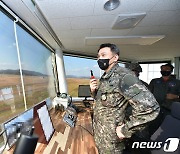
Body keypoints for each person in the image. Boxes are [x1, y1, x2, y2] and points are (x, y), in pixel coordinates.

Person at [90, 43, 160, 154]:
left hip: (113, 143)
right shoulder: (105, 78)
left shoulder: (124, 76)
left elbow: (150, 108)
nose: (99, 59)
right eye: (98, 56)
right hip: (102, 137)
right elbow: (105, 101)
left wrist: (126, 130)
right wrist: (93, 92)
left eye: (103, 55)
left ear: (115, 57)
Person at [149, 63, 180, 134]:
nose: (164, 70)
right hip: (155, 109)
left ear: (171, 71)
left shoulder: (177, 83)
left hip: (170, 110)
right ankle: (152, 143)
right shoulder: (154, 81)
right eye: (162, 69)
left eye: (167, 69)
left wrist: (176, 96)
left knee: (168, 129)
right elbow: (148, 94)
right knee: (153, 128)